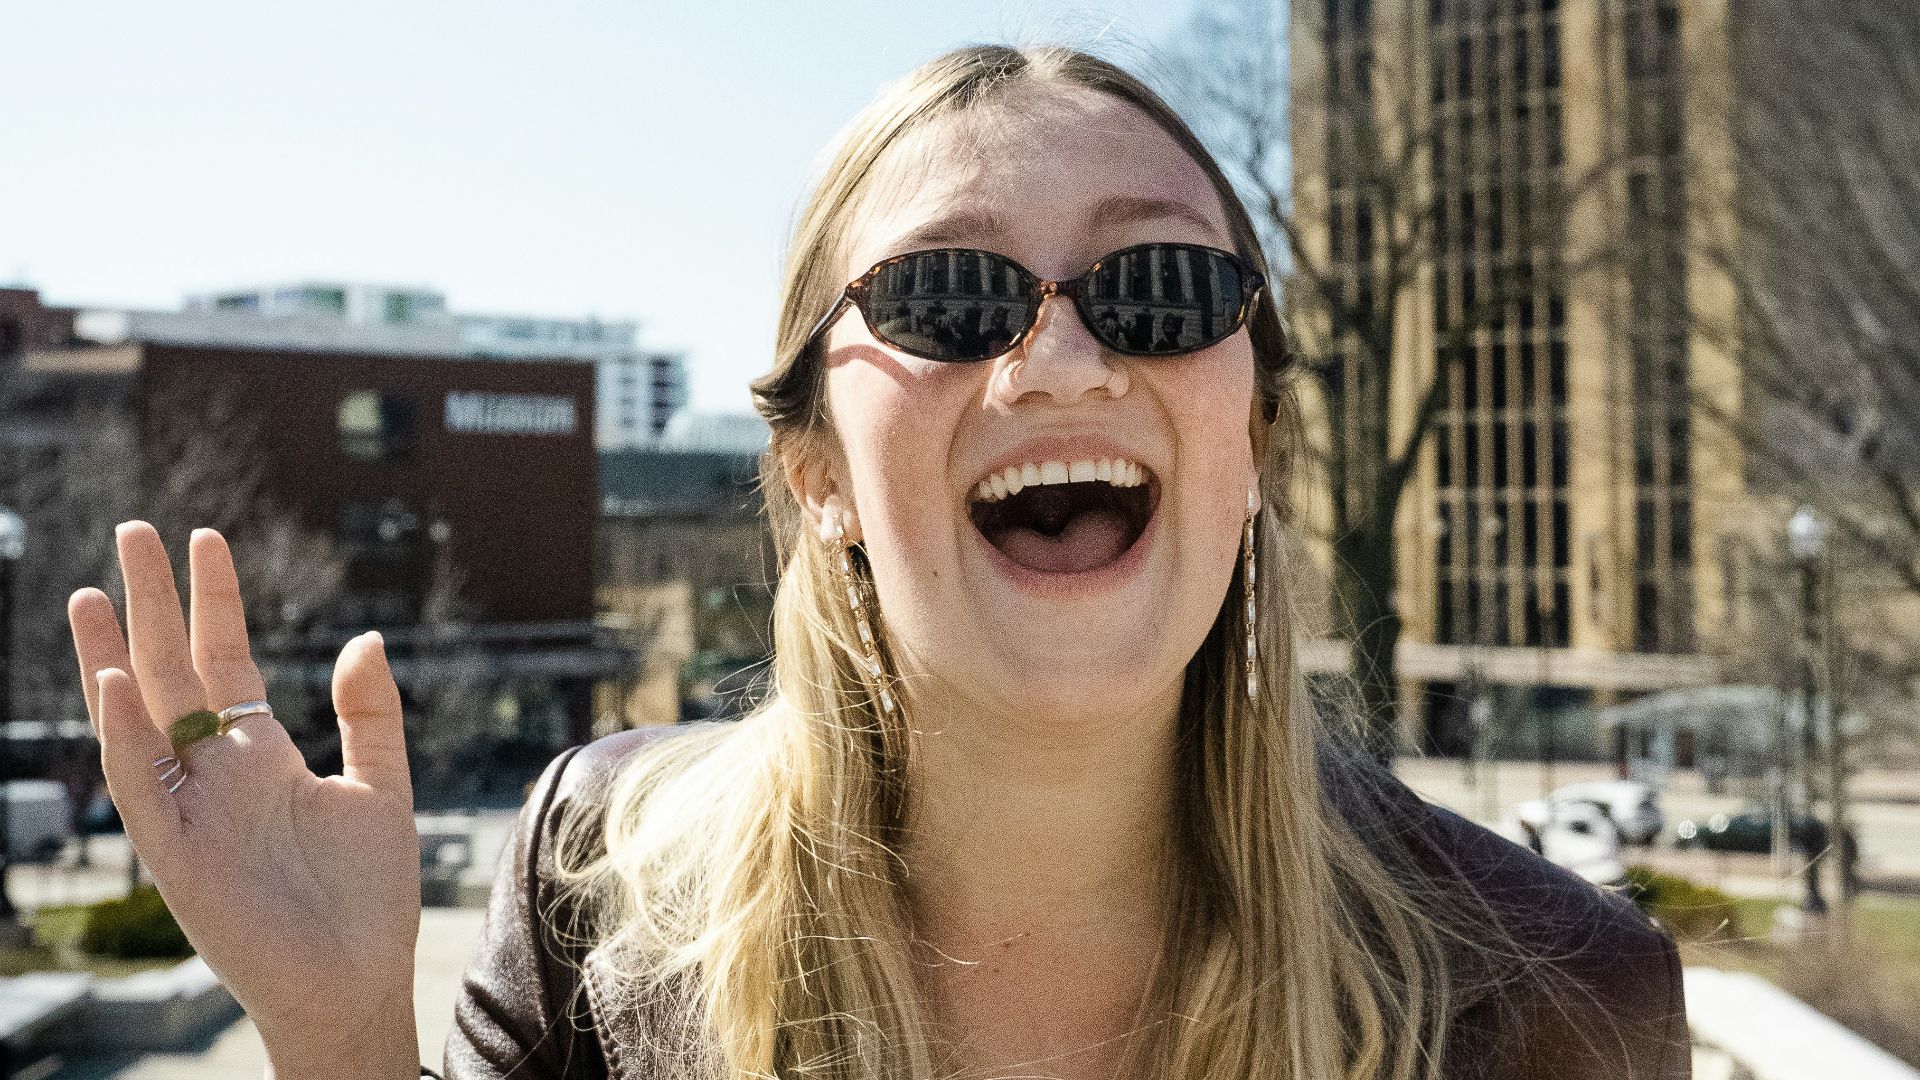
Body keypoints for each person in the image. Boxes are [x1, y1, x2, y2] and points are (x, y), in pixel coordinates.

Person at [65, 44, 1688, 1080]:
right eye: (953, 302)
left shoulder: (1563, 999)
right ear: (815, 471)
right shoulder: (592, 887)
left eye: (1166, 289)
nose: (1059, 362)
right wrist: (337, 1034)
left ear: (1253, 439)